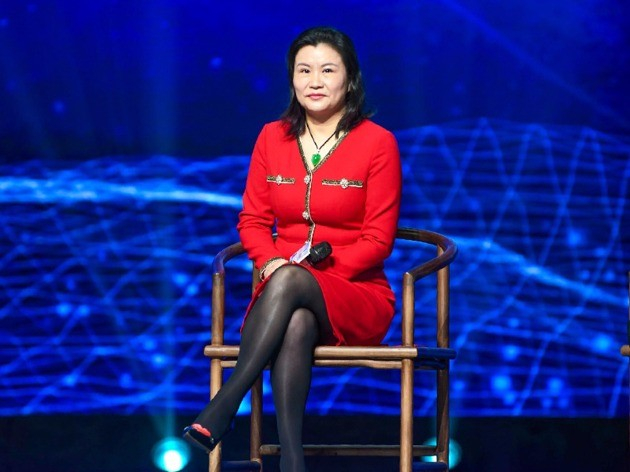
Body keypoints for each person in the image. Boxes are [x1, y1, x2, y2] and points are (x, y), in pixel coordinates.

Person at [183, 26, 402, 471]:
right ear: (292, 79)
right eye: (304, 71)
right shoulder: (272, 136)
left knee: (291, 281)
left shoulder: (378, 142)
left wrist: (303, 274)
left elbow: (378, 241)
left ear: (350, 79)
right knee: (296, 319)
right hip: (283, 296)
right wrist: (269, 262)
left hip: (356, 294)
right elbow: (253, 221)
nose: (314, 82)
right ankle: (292, 460)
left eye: (327, 70)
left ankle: (225, 402)